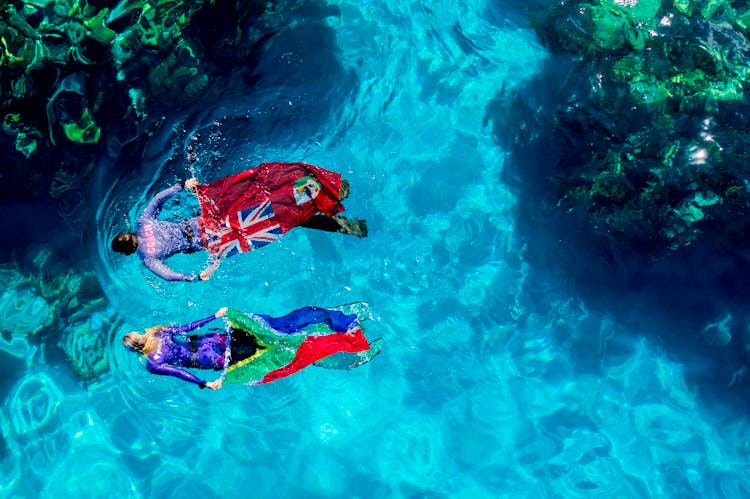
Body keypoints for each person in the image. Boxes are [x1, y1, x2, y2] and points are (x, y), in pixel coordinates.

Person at [111, 162, 368, 281]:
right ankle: (322, 200)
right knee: (258, 203)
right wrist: (181, 185)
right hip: (207, 221)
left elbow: (166, 275)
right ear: (129, 236)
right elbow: (157, 199)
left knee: (267, 219)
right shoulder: (143, 222)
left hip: (211, 238)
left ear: (129, 251)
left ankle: (327, 208)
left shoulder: (147, 258)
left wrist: (194, 277)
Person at [122, 303, 381, 389]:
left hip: (219, 361)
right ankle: (341, 328)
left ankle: (334, 345)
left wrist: (205, 384)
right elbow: (189, 327)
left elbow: (181, 373)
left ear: (134, 349)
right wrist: (215, 316)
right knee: (279, 330)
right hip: (223, 339)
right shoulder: (159, 331)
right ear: (137, 334)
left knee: (283, 353)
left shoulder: (152, 364)